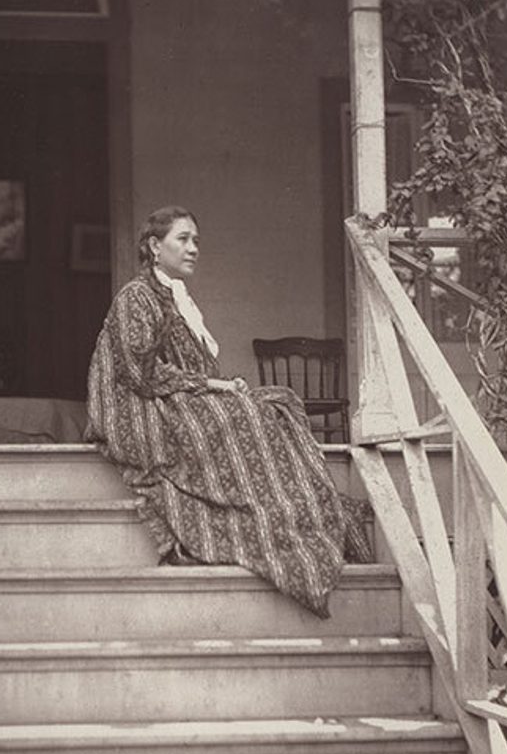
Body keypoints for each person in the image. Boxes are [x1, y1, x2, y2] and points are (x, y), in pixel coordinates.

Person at [86, 205, 372, 618]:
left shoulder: (174, 296)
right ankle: (272, 521)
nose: (193, 248)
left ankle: (295, 513)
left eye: (196, 240)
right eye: (183, 239)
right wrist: (213, 387)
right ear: (154, 246)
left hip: (167, 391)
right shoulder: (137, 295)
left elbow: (186, 364)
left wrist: (218, 386)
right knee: (238, 417)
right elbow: (137, 371)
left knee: (278, 404)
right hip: (136, 403)